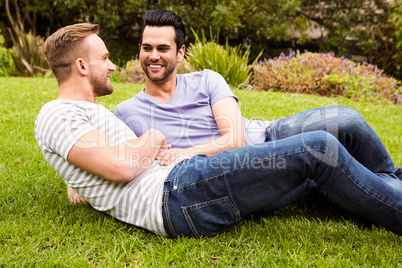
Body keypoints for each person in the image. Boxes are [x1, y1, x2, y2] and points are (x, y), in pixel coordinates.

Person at [35, 22, 402, 239]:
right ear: (82, 66)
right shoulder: (56, 113)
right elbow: (120, 167)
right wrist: (154, 138)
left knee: (317, 176)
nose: (113, 66)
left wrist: (79, 176)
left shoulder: (84, 114)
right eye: (104, 59)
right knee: (319, 148)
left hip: (181, 186)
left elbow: (96, 157)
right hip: (174, 191)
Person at [113, 9, 402, 211]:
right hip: (248, 170)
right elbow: (105, 162)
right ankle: (390, 185)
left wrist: (183, 153)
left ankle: (390, 181)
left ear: (180, 53)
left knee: (347, 120)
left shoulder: (206, 80)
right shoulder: (127, 112)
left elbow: (235, 140)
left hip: (269, 136)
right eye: (146, 47)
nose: (153, 56)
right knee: (324, 172)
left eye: (162, 48)